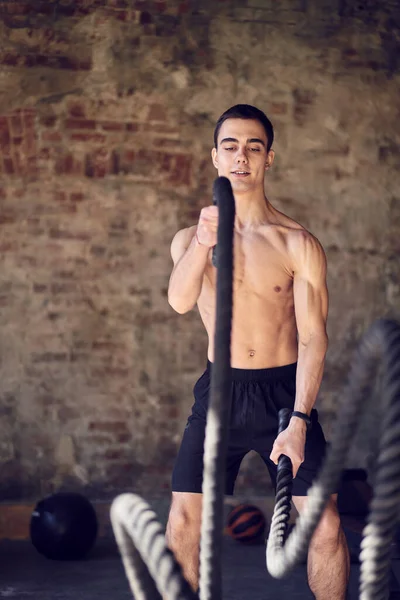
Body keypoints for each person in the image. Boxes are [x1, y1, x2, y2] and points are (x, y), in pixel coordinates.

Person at [166, 104, 350, 599]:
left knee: (326, 525)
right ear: (215, 158)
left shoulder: (297, 242)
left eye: (253, 147)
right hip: (220, 393)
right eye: (231, 146)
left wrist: (299, 421)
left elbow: (314, 336)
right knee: (183, 523)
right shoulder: (189, 239)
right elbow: (180, 301)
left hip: (282, 397)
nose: (241, 157)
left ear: (269, 158)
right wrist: (204, 242)